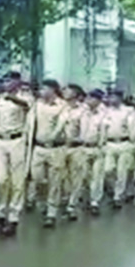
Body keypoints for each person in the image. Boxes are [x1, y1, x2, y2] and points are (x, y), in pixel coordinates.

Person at [0, 71, 33, 237]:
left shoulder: (25, 96)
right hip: (0, 141)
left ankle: (13, 218)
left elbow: (27, 106)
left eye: (9, 80)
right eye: (4, 80)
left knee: (17, 182)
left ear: (17, 82)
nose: (5, 83)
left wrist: (12, 98)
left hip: (17, 141)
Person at [27, 79, 67, 228]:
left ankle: (51, 213)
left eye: (44, 89)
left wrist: (53, 136)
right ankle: (42, 203)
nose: (41, 92)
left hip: (56, 148)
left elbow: (61, 123)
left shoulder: (62, 106)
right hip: (38, 148)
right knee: (37, 179)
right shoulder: (37, 104)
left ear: (52, 90)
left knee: (55, 181)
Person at [101, 90, 132, 208]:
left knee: (121, 171)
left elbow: (132, 125)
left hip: (123, 142)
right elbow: (104, 127)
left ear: (120, 98)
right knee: (108, 170)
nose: (111, 99)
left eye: (114, 97)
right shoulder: (106, 111)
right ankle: (114, 189)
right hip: (109, 143)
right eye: (110, 97)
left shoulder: (128, 111)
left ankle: (118, 196)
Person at [60, 84, 87, 221]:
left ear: (76, 94)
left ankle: (72, 205)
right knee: (62, 177)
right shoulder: (60, 108)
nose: (65, 92)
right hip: (61, 147)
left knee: (76, 177)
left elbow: (85, 132)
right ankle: (65, 198)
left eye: (68, 90)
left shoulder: (82, 110)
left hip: (76, 147)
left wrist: (75, 139)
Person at [81, 89, 107, 215]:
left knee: (97, 176)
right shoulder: (82, 112)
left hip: (97, 147)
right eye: (88, 98)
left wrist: (102, 146)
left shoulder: (103, 114)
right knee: (84, 175)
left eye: (92, 98)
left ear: (98, 101)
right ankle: (85, 197)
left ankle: (94, 201)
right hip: (82, 147)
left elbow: (104, 131)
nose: (88, 101)